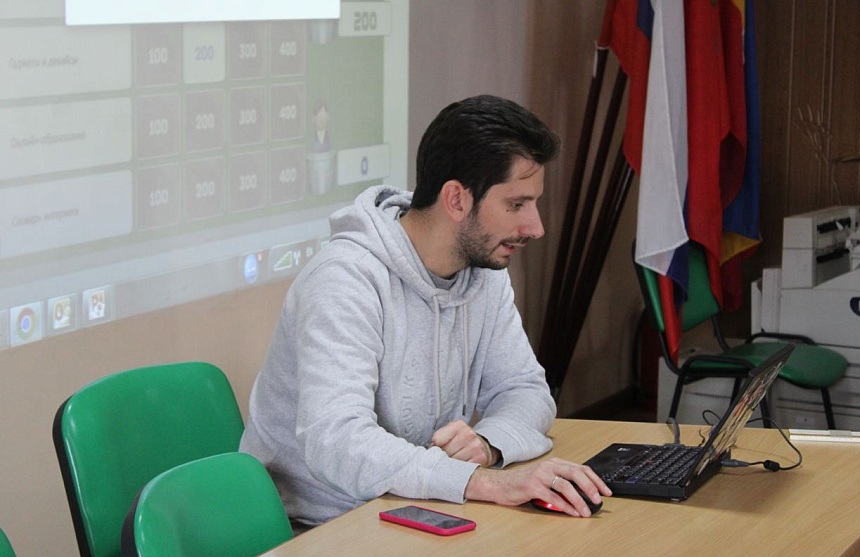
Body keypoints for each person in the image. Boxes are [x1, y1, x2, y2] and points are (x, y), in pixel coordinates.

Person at [240, 95, 611, 529]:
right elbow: (337, 441)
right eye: (516, 205)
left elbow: (525, 390)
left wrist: (487, 445)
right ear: (456, 199)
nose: (536, 227)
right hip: (318, 529)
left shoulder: (484, 272)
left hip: (412, 508)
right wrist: (482, 482)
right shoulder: (344, 279)